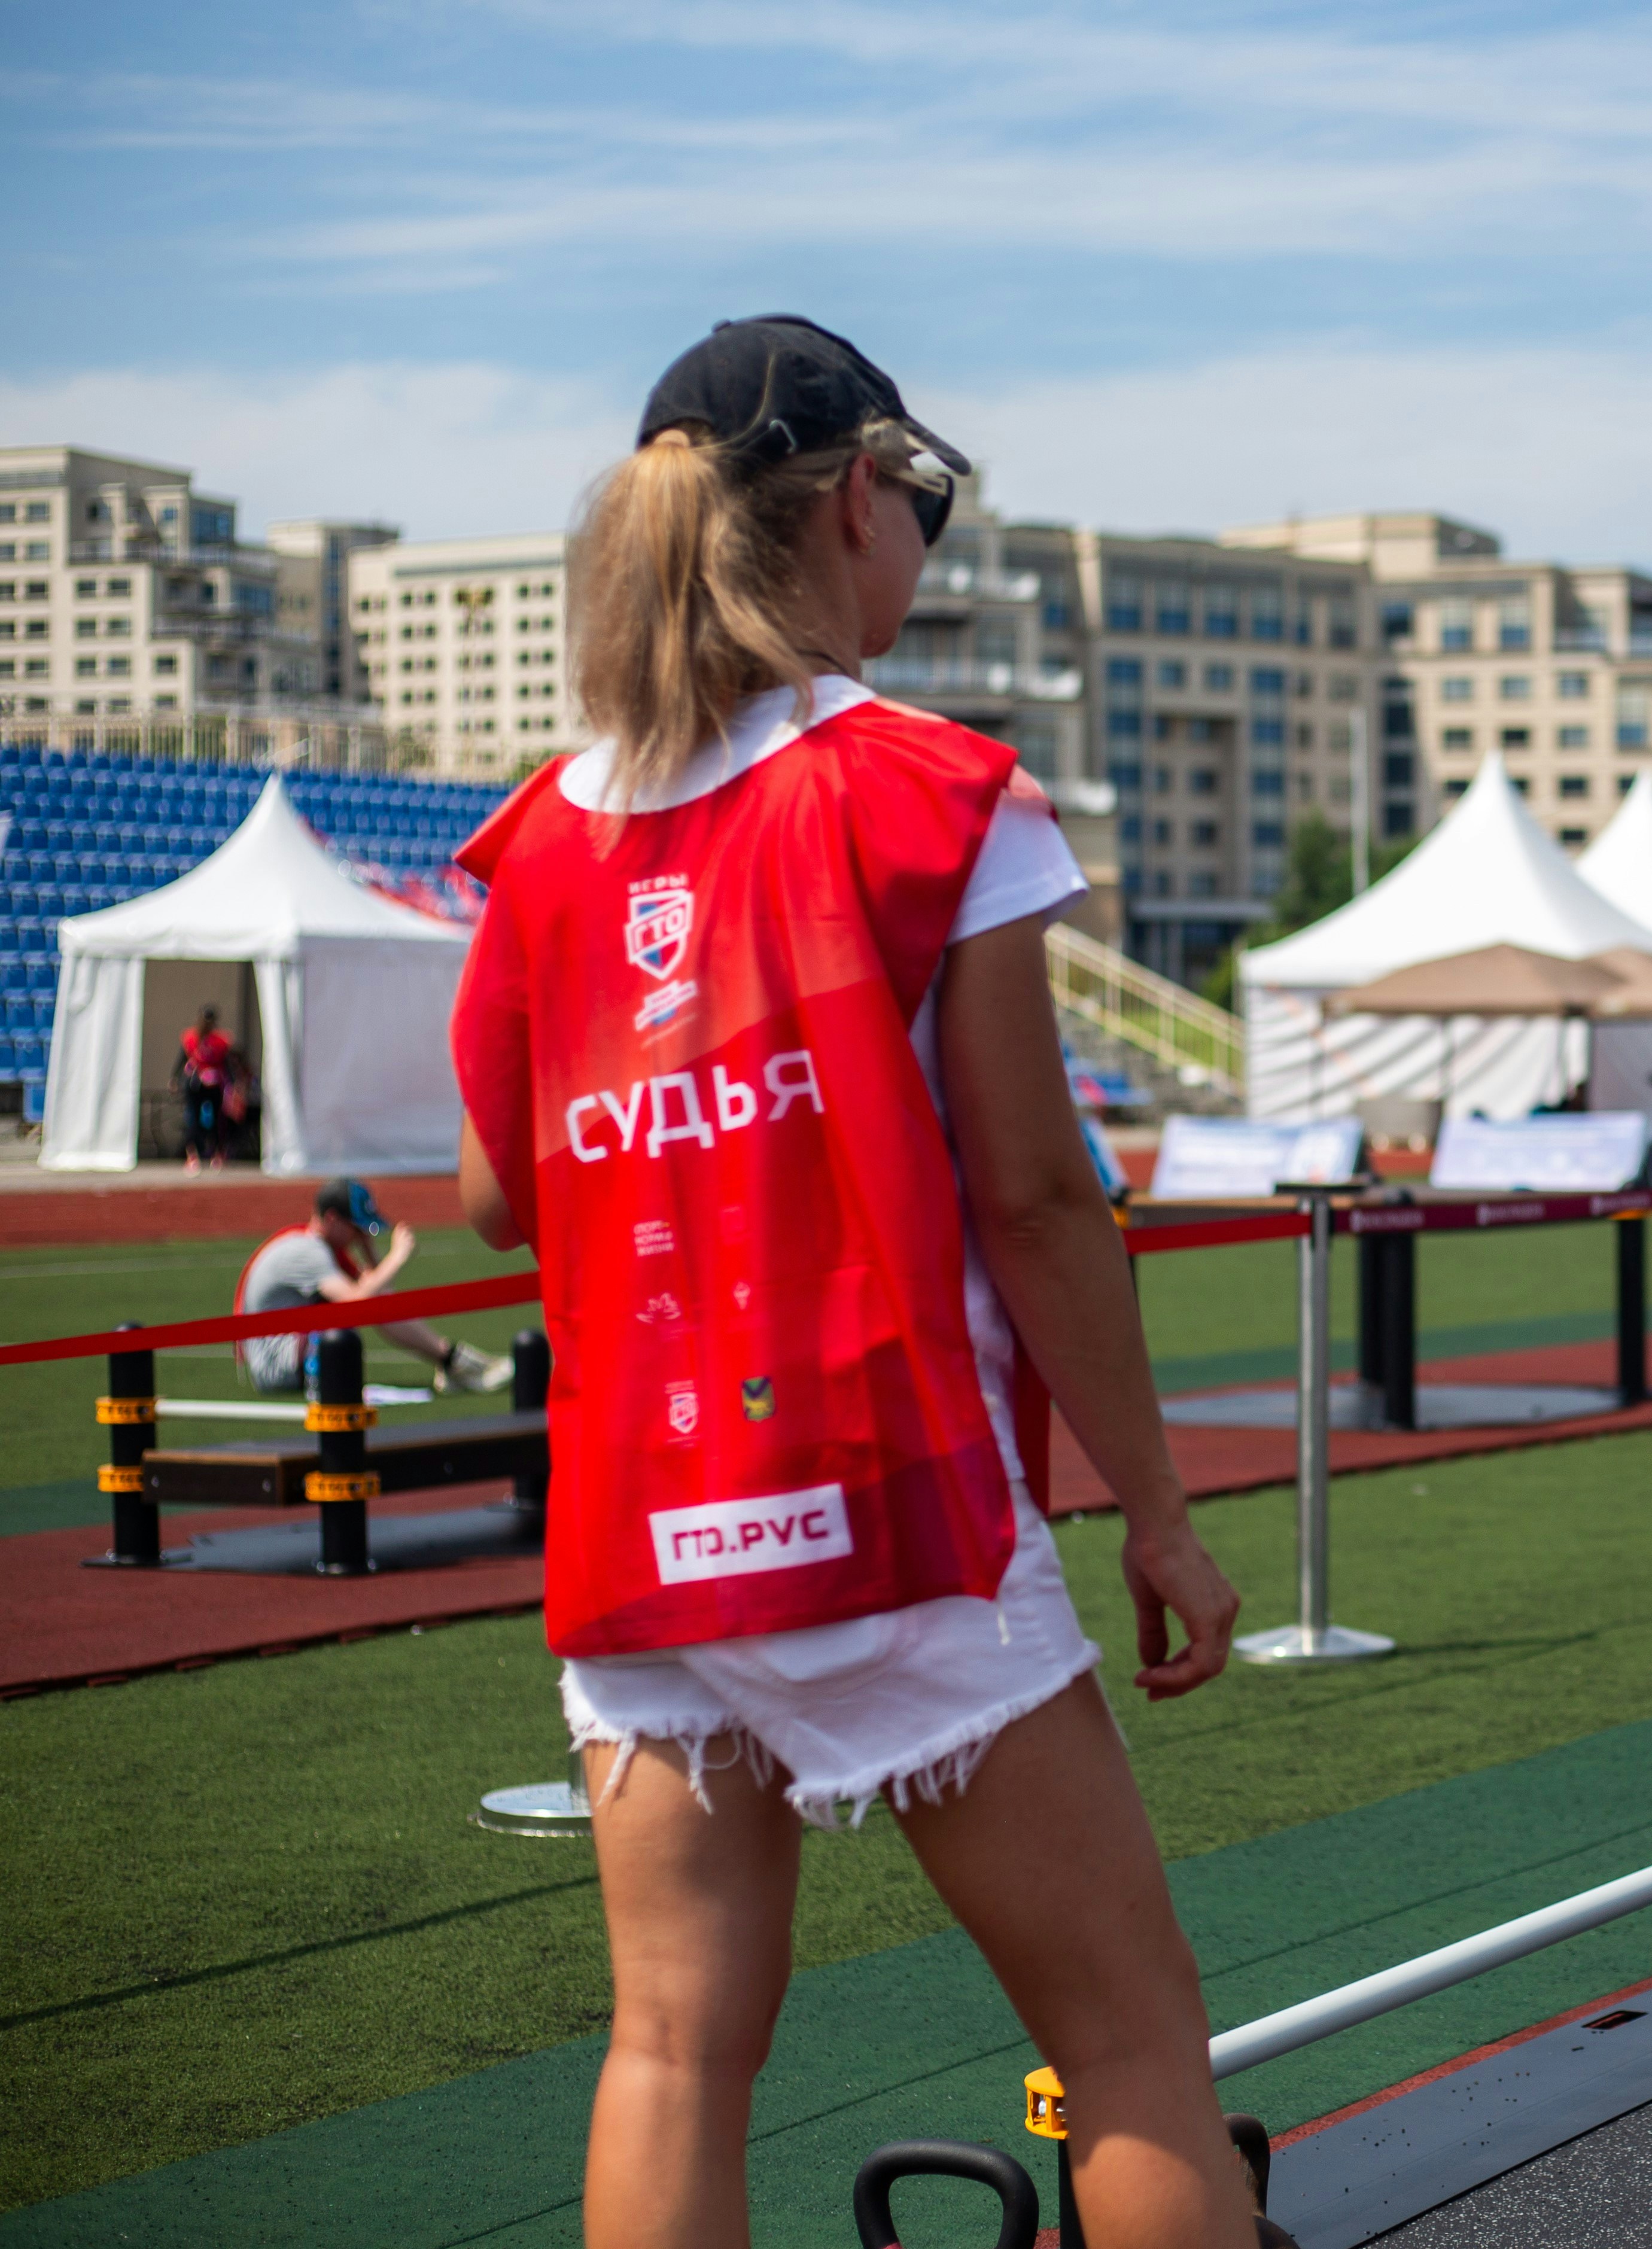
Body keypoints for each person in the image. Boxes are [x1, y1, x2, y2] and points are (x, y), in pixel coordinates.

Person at [446, 316, 1269, 2249]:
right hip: (890, 1499)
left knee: (671, 2044)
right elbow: (1045, 1201)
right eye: (921, 500)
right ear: (844, 501)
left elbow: (497, 1191)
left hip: (642, 1523)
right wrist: (1159, 1509)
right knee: (1130, 2038)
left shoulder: (543, 834)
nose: (922, 541)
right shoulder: (933, 789)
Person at [238, 1177, 512, 1396]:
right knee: (357, 1305)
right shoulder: (307, 1251)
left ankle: (450, 1360)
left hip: (290, 1356)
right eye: (356, 1229)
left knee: (370, 1298)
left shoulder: (323, 1248)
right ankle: (454, 1362)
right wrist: (397, 1257)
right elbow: (358, 1303)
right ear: (332, 1219)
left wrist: (369, 1252)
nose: (359, 1236)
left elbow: (382, 1299)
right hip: (276, 1368)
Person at [177, 1005, 237, 1171]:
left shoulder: (220, 1040)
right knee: (194, 1120)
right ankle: (192, 1155)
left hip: (214, 1084)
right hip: (195, 1084)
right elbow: (182, 1059)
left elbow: (226, 1064)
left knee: (218, 1121)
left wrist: (232, 1084)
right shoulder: (191, 1037)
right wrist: (175, 1079)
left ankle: (217, 1154)